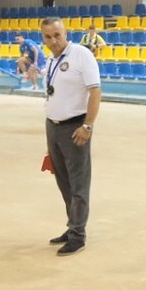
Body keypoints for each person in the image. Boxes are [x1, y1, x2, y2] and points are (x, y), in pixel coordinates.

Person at [41, 17, 101, 257]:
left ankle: (78, 235)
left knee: (78, 183)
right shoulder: (51, 59)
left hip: (75, 127)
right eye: (48, 37)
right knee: (63, 182)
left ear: (65, 33)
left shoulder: (81, 55)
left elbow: (95, 92)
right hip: (53, 127)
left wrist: (88, 126)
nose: (54, 41)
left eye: (57, 35)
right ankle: (72, 225)